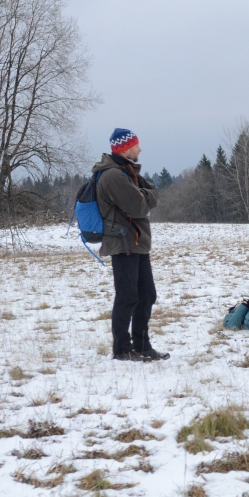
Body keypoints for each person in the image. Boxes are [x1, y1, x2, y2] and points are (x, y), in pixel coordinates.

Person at [92, 128, 168, 362]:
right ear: (125, 149)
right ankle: (122, 349)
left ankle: (143, 345)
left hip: (136, 242)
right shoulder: (113, 176)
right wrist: (146, 195)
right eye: (136, 145)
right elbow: (139, 207)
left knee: (146, 294)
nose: (140, 149)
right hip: (123, 242)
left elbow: (152, 194)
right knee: (127, 296)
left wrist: (144, 194)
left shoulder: (127, 171)